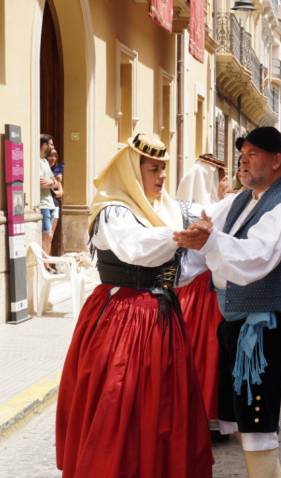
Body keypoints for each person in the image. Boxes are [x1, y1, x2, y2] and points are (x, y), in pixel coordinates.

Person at [56, 133, 213, 478]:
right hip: (122, 320)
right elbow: (135, 249)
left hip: (160, 318)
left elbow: (180, 272)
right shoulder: (114, 211)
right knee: (119, 401)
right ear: (132, 171)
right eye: (153, 169)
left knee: (161, 406)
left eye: (163, 170)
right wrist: (180, 237)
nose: (160, 177)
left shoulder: (164, 210)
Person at [174, 126, 281, 477]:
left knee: (257, 423)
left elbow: (255, 258)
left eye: (252, 154)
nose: (243, 161)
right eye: (243, 155)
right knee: (246, 421)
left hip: (265, 326)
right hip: (238, 321)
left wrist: (207, 241)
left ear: (277, 160)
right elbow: (202, 221)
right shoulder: (241, 201)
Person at [174, 152, 229, 430]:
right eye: (223, 178)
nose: (226, 183)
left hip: (185, 293)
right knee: (210, 352)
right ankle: (209, 414)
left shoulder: (178, 209)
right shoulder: (209, 212)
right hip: (207, 291)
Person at [39, 134, 58, 255]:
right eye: (50, 144)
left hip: (50, 204)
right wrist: (52, 182)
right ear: (44, 145)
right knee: (47, 235)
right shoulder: (37, 161)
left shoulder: (45, 161)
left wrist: (51, 182)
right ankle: (44, 265)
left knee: (49, 237)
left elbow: (55, 182)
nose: (52, 146)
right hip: (43, 205)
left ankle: (46, 265)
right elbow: (41, 183)